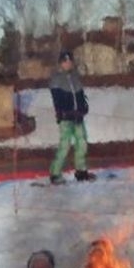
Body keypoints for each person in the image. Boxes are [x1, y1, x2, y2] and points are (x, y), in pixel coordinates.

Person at [48, 50, 93, 183]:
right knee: (65, 145)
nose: (68, 64)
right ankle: (55, 173)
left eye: (69, 61)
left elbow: (80, 96)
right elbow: (57, 99)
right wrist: (62, 112)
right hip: (66, 118)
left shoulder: (75, 77)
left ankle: (81, 170)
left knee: (82, 143)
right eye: (65, 61)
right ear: (61, 63)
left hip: (78, 117)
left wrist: (83, 108)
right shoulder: (56, 79)